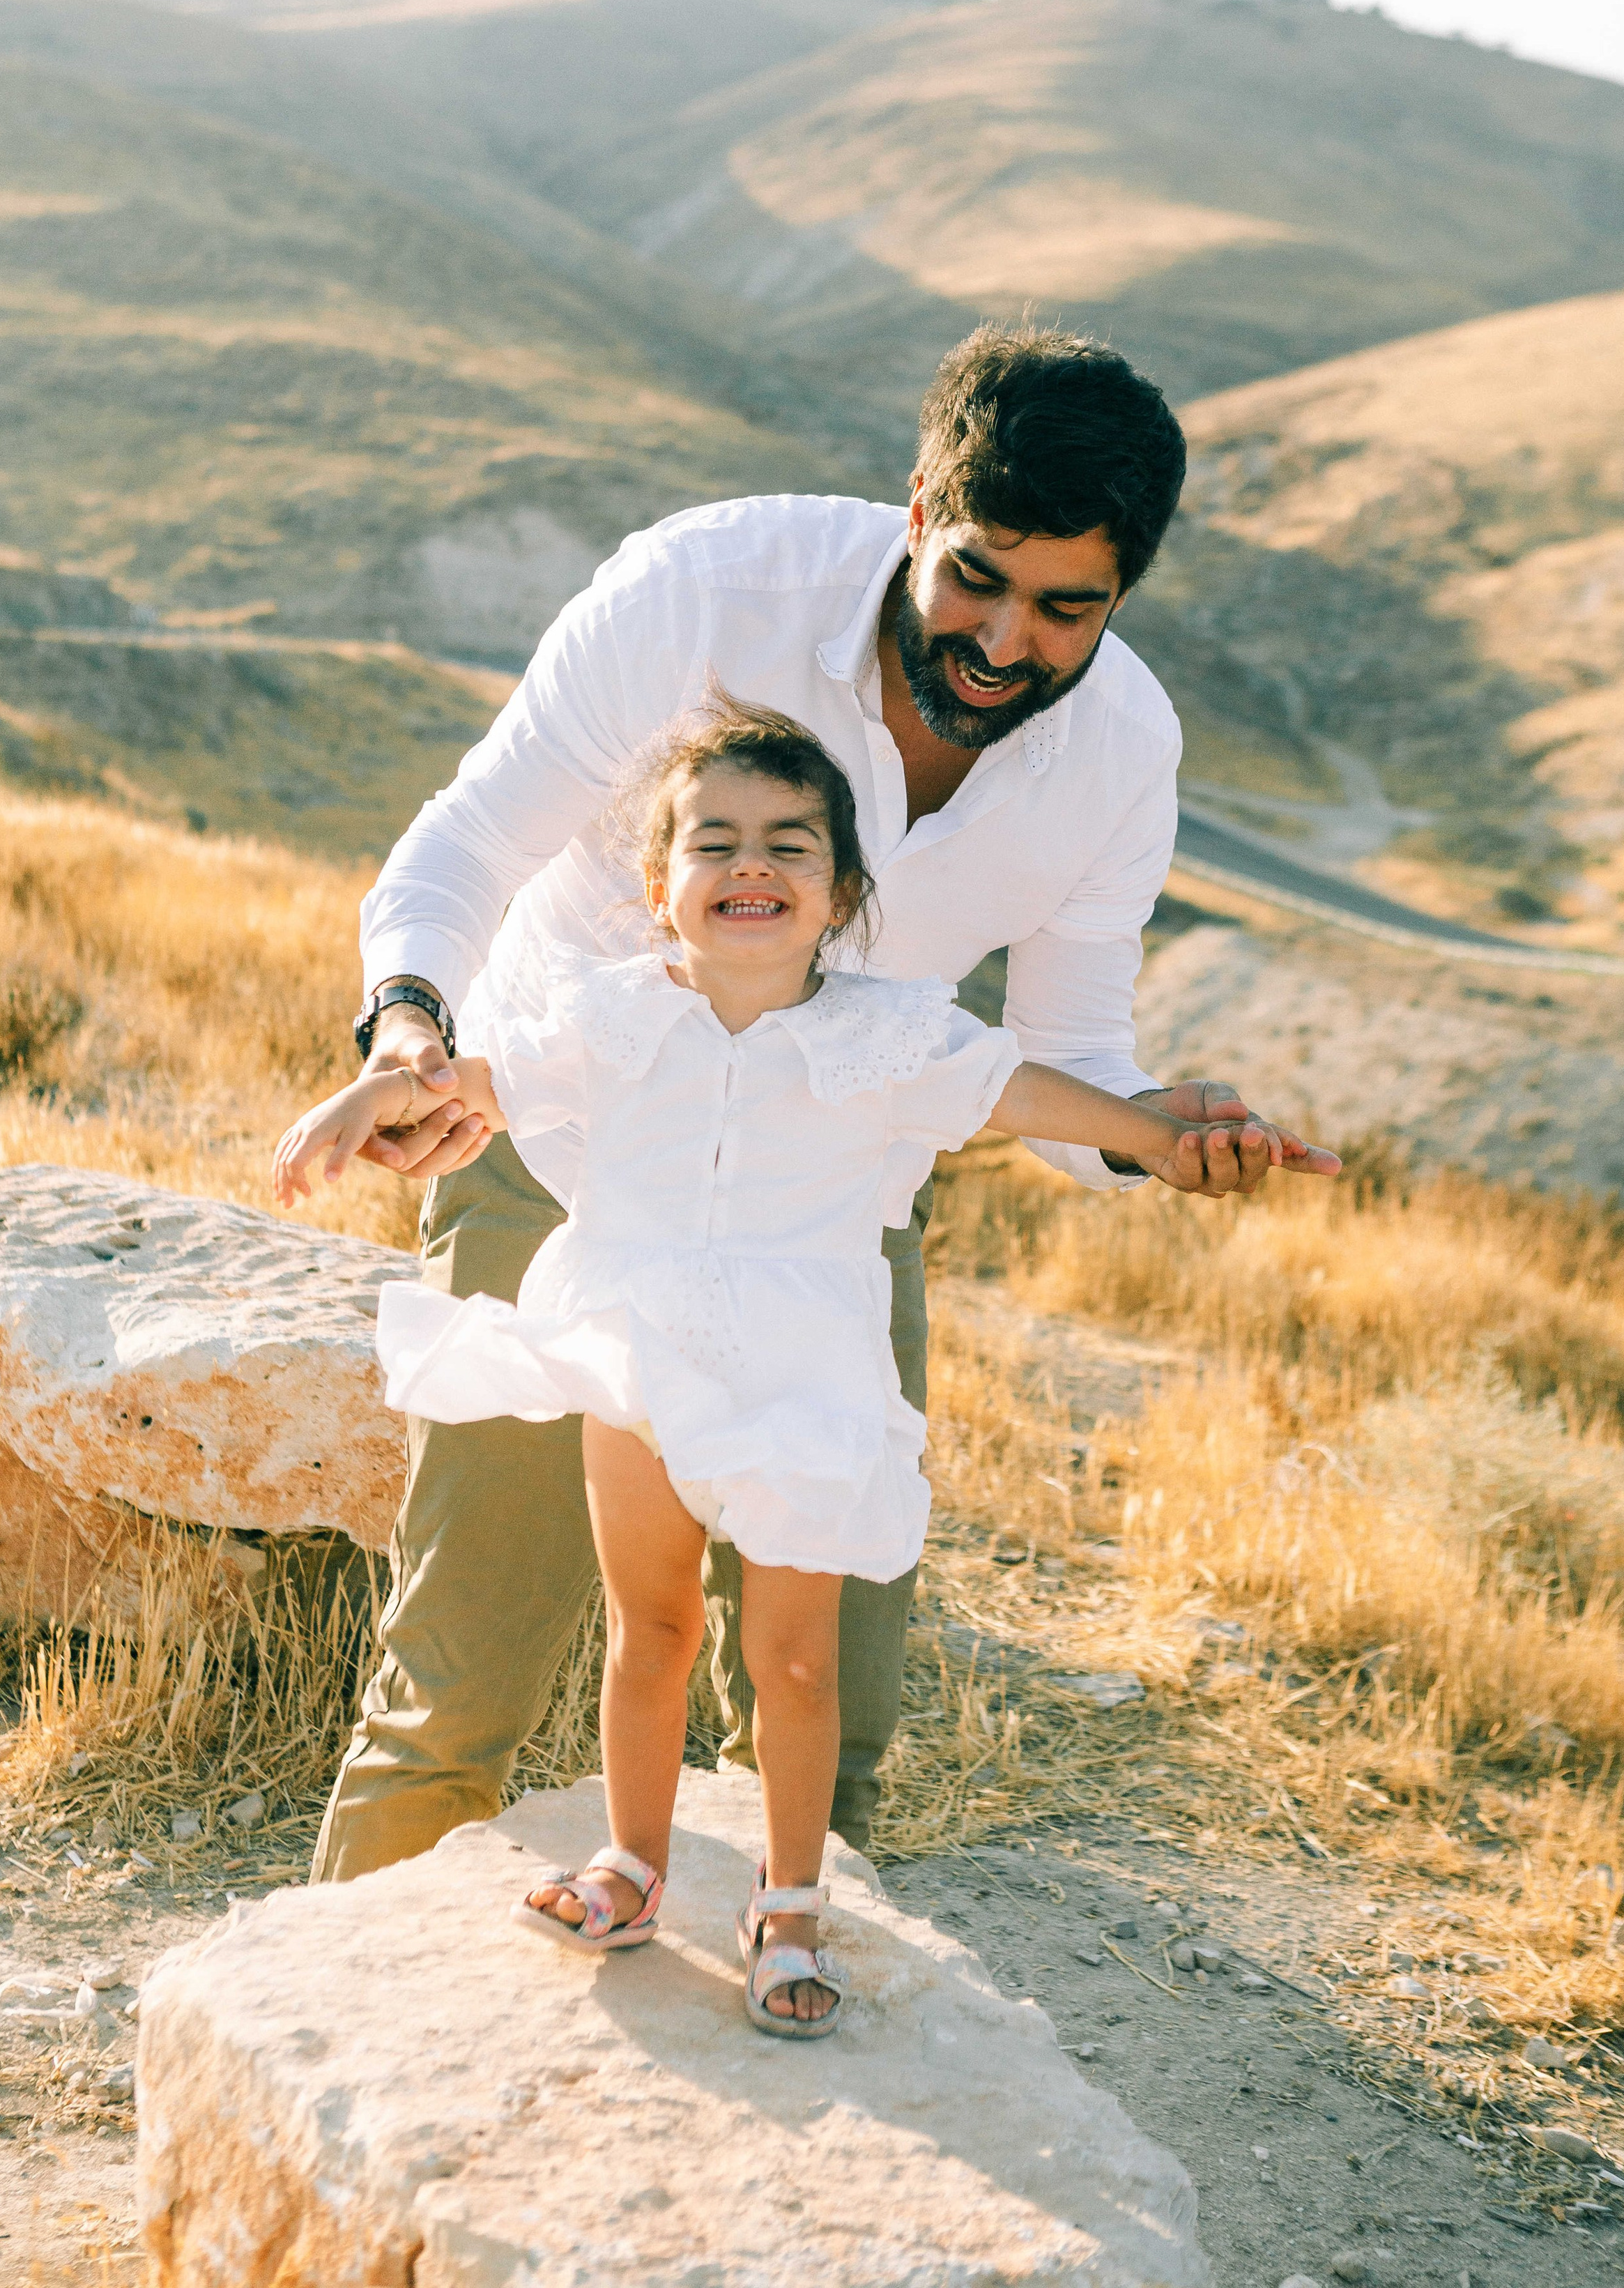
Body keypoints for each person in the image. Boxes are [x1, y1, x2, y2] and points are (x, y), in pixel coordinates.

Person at [308, 322, 1342, 1886]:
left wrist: (1162, 1138)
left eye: (1068, 609)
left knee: (825, 1712)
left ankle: (762, 2032)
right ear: (919, 507)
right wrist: (407, 1035)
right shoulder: (704, 590)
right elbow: (463, 845)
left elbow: (1071, 1063)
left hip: (826, 1226)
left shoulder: (1120, 752)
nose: (1005, 643)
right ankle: (322, 2077)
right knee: (465, 1676)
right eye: (977, 580)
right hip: (564, 1157)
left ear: (1122, 592)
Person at [276, 702, 1317, 2034]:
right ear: (662, 890)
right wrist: (379, 1087)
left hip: (803, 1382)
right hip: (638, 1350)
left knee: (797, 1668)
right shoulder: (613, 1015)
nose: (751, 863)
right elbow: (478, 1078)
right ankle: (635, 1867)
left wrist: (1163, 1142)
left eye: (790, 843)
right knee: (649, 1633)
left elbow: (1020, 1094)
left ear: (841, 893)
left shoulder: (889, 1035)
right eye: (716, 841)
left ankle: (791, 1902)